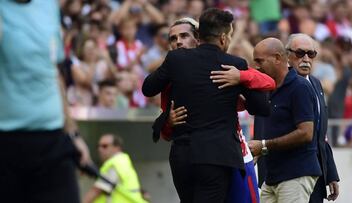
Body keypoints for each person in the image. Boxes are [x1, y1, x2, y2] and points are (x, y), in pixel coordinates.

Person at [142, 8, 269, 203]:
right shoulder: (232, 65)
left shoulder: (175, 62)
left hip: (185, 156)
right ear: (224, 38)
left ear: (198, 37)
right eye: (173, 38)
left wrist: (243, 75)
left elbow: (148, 88)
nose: (178, 42)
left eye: (184, 36)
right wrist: (167, 120)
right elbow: (261, 105)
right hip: (219, 156)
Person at [0, 1, 91, 203]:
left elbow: (53, 73)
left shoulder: (48, 6)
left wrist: (73, 134)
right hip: (7, 144)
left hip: (53, 140)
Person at [247, 38, 322, 203]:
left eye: (260, 61)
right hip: (273, 175)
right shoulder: (268, 88)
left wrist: (264, 145)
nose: (257, 66)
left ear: (278, 58)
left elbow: (306, 133)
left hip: (296, 173)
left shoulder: (299, 87)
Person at [286, 33, 340, 202]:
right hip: (289, 176)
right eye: (300, 53)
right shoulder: (279, 84)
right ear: (287, 55)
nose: (306, 59)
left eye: (311, 54)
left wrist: (330, 173)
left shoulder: (316, 83)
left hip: (316, 174)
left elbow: (320, 134)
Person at [83, 134, 148, 203]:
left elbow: (97, 190)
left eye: (104, 146)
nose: (100, 149)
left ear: (117, 147)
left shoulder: (114, 164)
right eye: (98, 146)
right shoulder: (123, 161)